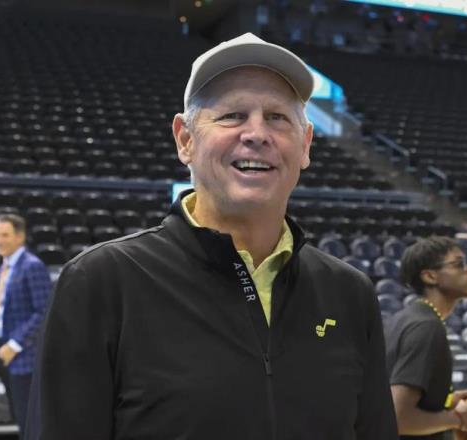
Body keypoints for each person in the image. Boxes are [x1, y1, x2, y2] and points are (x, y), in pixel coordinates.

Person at [27, 32, 398, 440]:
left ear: (305, 144)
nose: (256, 133)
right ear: (185, 139)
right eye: (232, 115)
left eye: (277, 117)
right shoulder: (102, 281)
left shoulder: (349, 293)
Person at [385, 236, 467, 440]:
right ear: (430, 276)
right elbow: (396, 417)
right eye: (459, 264)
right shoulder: (427, 326)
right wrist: (460, 419)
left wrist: (444, 401)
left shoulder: (404, 318)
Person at [0, 214, 52, 438]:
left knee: (30, 423)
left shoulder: (32, 266)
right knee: (19, 419)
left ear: (20, 236)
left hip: (24, 358)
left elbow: (43, 312)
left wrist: (14, 344)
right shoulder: (4, 266)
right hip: (3, 355)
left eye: (5, 235)